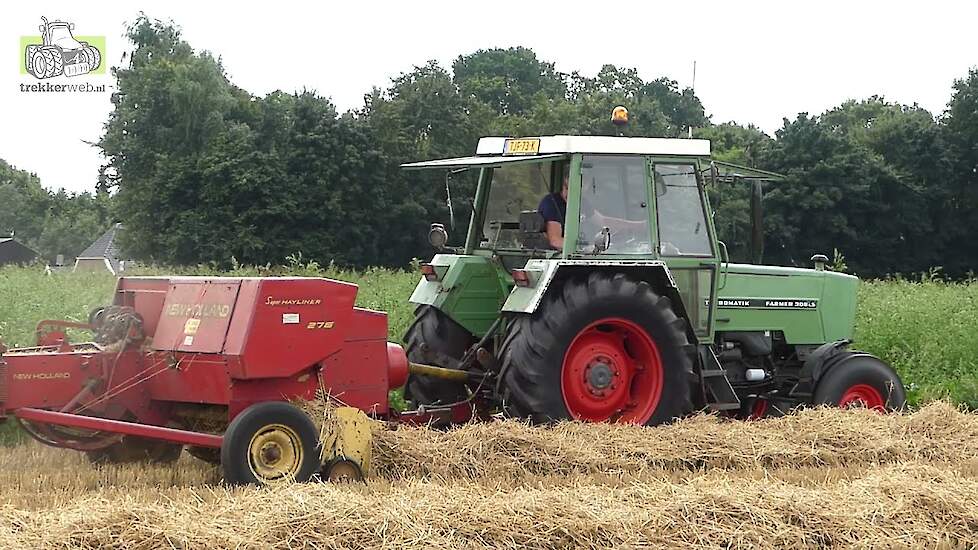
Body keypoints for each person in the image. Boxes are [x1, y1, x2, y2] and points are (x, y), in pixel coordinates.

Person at [537, 174, 568, 250]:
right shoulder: (551, 203)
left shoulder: (582, 202)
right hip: (554, 258)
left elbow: (601, 220)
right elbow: (555, 241)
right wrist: (583, 248)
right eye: (566, 187)